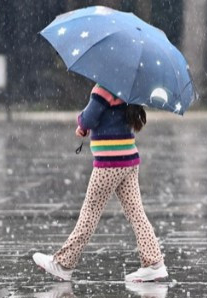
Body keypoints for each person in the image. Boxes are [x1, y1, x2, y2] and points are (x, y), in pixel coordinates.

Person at [33, 84, 168, 282]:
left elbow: (89, 117)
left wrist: (82, 123)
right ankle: (154, 264)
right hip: (129, 158)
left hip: (109, 162)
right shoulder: (128, 89)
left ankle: (63, 264)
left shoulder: (104, 88)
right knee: (136, 213)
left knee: (90, 212)